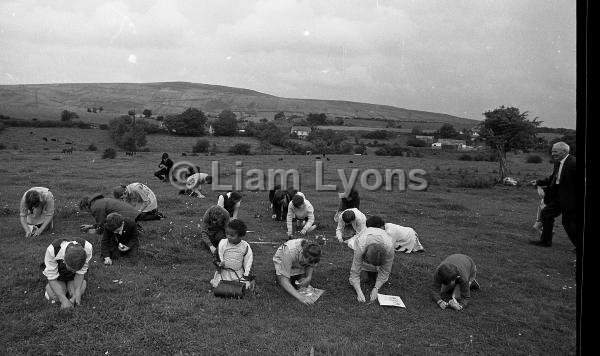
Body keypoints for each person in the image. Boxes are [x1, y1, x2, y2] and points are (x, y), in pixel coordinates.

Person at [529, 142, 577, 248]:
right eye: (552, 151)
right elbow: (554, 178)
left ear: (564, 151)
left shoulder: (574, 163)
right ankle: (545, 241)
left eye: (555, 151)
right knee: (546, 213)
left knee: (568, 224)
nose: (552, 154)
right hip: (559, 198)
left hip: (571, 200)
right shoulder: (558, 162)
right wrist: (539, 182)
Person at [43, 237, 93, 309]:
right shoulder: (52, 250)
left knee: (75, 294)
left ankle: (79, 285)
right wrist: (63, 299)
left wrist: (77, 290)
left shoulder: (87, 248)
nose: (74, 271)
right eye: (72, 269)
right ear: (64, 261)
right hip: (58, 275)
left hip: (74, 276)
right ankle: (50, 287)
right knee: (56, 297)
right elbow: (52, 277)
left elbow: (81, 272)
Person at [348, 226, 395, 303]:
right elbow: (354, 271)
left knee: (380, 279)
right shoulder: (361, 246)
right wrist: (359, 292)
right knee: (364, 278)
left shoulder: (389, 249)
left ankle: (374, 272)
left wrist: (376, 288)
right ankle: (368, 270)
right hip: (364, 240)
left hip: (380, 242)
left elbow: (386, 270)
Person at [273, 238, 322, 305]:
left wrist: (308, 277)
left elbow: (310, 265)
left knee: (300, 283)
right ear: (302, 254)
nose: (309, 265)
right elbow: (283, 280)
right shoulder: (289, 252)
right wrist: (300, 297)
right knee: (283, 282)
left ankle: (296, 274)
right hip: (282, 259)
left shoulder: (312, 252)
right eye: (307, 262)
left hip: (298, 262)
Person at [210, 219, 255, 290]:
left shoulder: (245, 246)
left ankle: (239, 283)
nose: (228, 236)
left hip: (237, 274)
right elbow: (216, 256)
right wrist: (218, 263)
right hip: (224, 273)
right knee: (217, 285)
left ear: (240, 236)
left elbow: (249, 262)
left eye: (231, 235)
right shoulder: (222, 244)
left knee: (244, 286)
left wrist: (248, 276)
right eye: (227, 233)